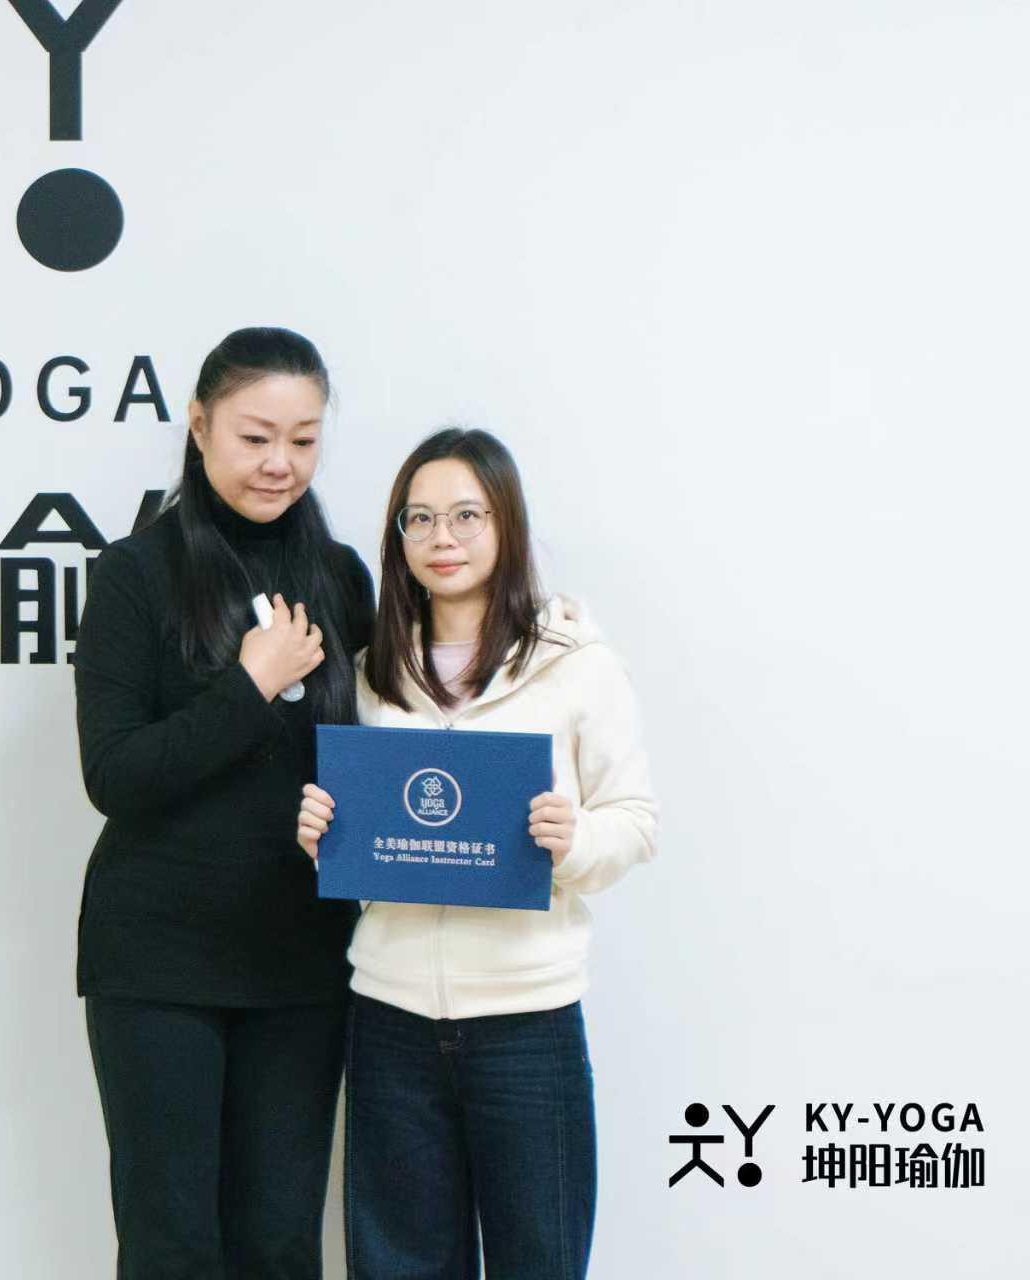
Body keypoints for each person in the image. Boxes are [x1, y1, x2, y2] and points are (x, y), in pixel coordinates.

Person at [296, 428, 658, 1280]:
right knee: (398, 1266)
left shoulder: (576, 664)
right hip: (389, 1020)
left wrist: (575, 839)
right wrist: (323, 836)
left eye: (467, 515)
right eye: (418, 519)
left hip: (527, 1023)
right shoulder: (371, 674)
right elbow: (367, 837)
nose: (442, 538)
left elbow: (636, 820)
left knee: (540, 1261)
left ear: (506, 525)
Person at [73, 327, 375, 1278]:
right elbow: (114, 774)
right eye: (255, 437)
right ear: (199, 426)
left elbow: (393, 742)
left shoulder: (342, 578)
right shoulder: (132, 575)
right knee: (171, 1245)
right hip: (158, 960)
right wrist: (249, 687)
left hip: (300, 957)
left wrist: (539, 640)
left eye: (303, 439)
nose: (280, 463)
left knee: (281, 1244)